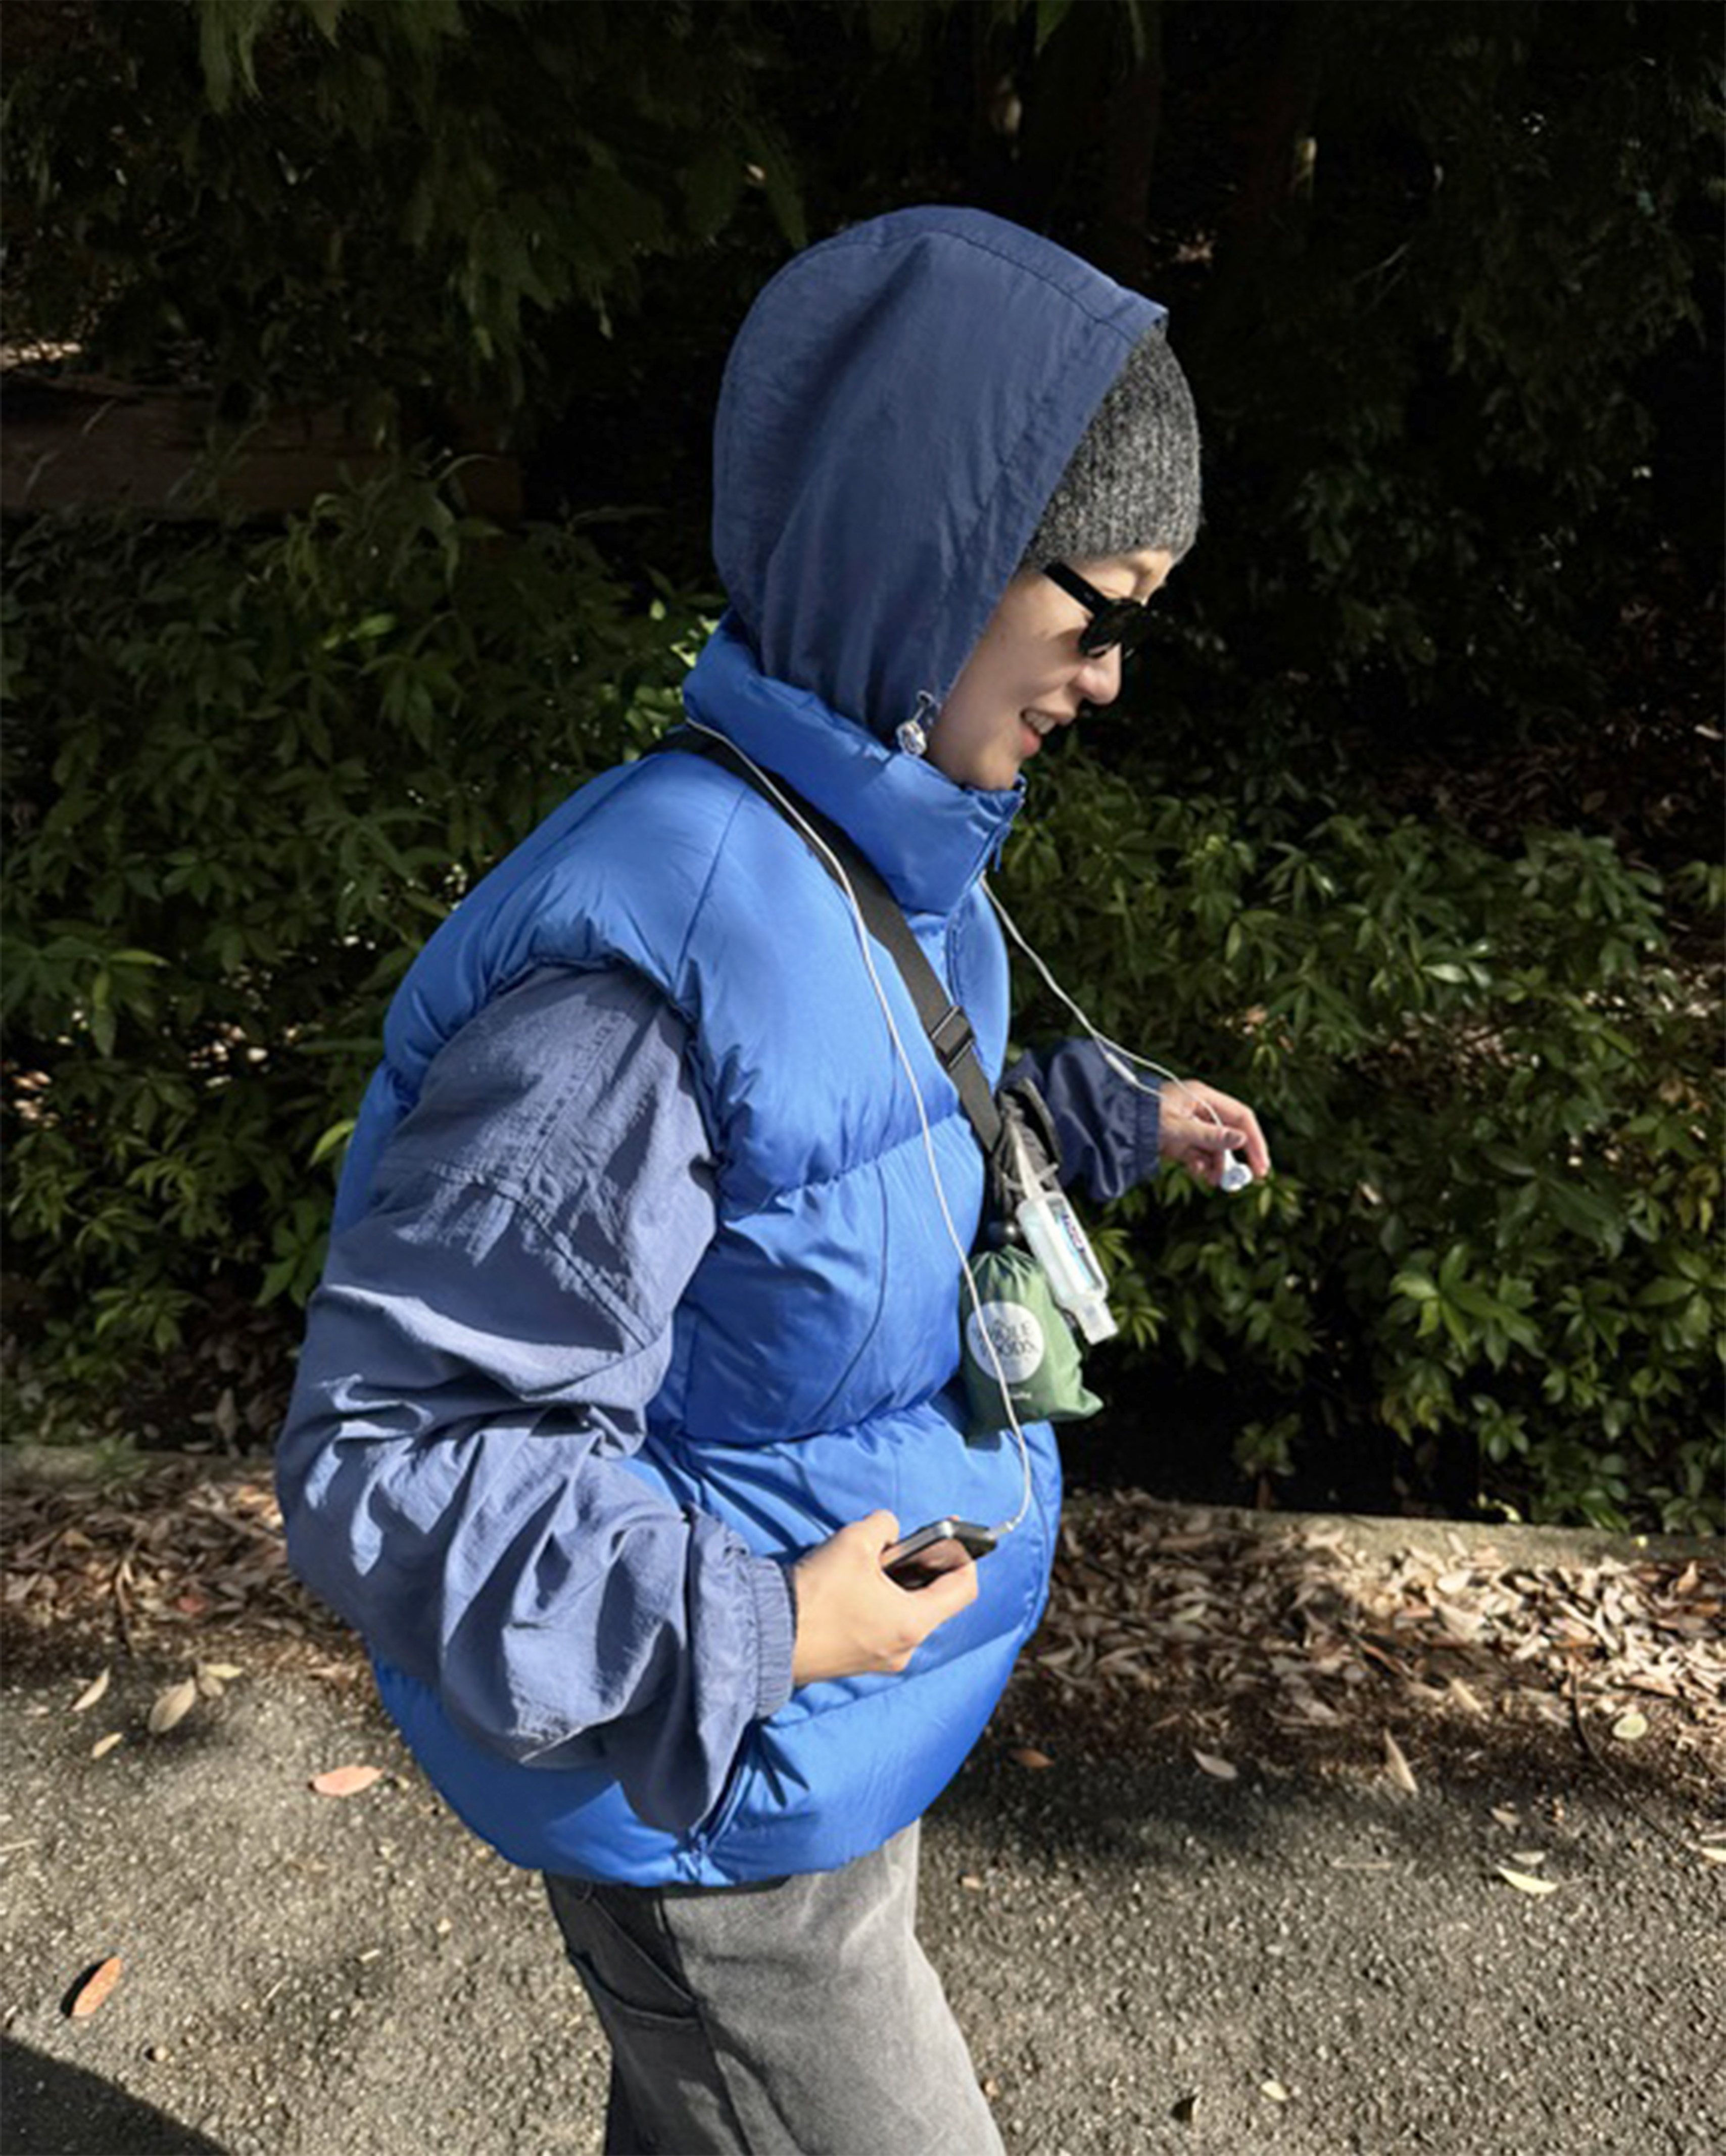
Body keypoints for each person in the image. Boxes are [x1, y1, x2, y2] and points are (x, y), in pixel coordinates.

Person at [277, 204, 1269, 2155]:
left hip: (805, 1746)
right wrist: (766, 1631)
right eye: (1104, 616)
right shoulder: (645, 965)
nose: (1110, 679)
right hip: (716, 1805)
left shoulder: (878, 850)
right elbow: (397, 1457)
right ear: (940, 556)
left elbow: (855, 1149)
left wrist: (1089, 1122)